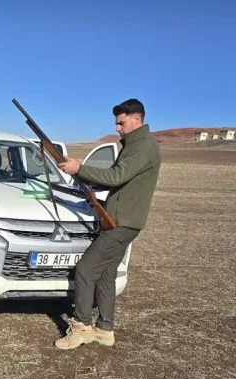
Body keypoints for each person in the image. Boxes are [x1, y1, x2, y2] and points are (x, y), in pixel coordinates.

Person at [55, 98, 161, 350]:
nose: (117, 128)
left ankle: (81, 328)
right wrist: (80, 176)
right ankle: (104, 330)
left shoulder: (143, 146)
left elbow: (116, 176)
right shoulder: (135, 145)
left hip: (122, 223)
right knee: (105, 274)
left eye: (121, 123)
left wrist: (80, 168)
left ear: (137, 119)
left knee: (85, 270)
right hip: (122, 220)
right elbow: (117, 181)